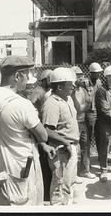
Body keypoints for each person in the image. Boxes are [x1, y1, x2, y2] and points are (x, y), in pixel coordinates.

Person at [0, 55, 54, 205]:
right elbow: (42, 135)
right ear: (17, 76)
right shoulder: (21, 104)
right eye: (26, 74)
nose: (27, 78)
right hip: (23, 170)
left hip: (1, 170)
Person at [41, 67, 80, 205]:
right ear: (59, 86)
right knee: (60, 187)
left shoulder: (66, 99)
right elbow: (47, 131)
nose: (73, 87)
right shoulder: (52, 103)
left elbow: (78, 112)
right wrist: (67, 142)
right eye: (70, 84)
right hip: (62, 150)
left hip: (70, 147)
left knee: (69, 185)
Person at [71, 66, 95, 179]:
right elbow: (77, 108)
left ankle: (84, 170)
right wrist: (82, 107)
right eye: (78, 76)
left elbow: (88, 104)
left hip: (82, 121)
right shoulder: (71, 91)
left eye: (81, 76)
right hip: (73, 122)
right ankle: (73, 173)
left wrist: (82, 107)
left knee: (85, 146)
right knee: (74, 148)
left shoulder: (83, 90)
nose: (81, 78)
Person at [84, 62, 103, 158]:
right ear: (91, 73)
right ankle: (87, 161)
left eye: (99, 72)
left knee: (99, 136)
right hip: (90, 112)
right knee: (88, 137)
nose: (98, 74)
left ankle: (101, 157)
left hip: (99, 111)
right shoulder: (85, 82)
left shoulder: (99, 82)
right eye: (96, 73)